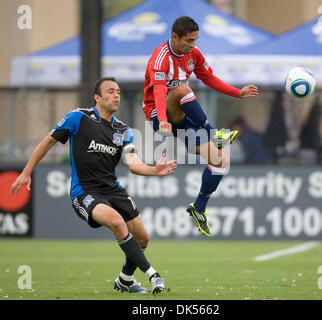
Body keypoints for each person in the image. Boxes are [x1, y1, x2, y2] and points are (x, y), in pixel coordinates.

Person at [10, 77, 177, 295]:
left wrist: (154, 170)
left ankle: (125, 280)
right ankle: (154, 275)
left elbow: (133, 163)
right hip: (85, 191)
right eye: (110, 91)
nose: (116, 95)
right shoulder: (78, 118)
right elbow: (48, 140)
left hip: (112, 189)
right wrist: (26, 171)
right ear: (97, 97)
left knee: (143, 236)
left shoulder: (123, 130)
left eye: (118, 91)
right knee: (117, 222)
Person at [142, 16, 258, 237]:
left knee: (221, 161)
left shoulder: (193, 55)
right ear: (175, 37)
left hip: (182, 117)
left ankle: (199, 207)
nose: (193, 45)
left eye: (195, 40)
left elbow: (210, 78)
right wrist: (164, 120)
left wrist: (238, 93)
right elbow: (158, 90)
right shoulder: (160, 59)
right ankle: (215, 133)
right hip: (159, 114)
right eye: (189, 40)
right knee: (183, 89)